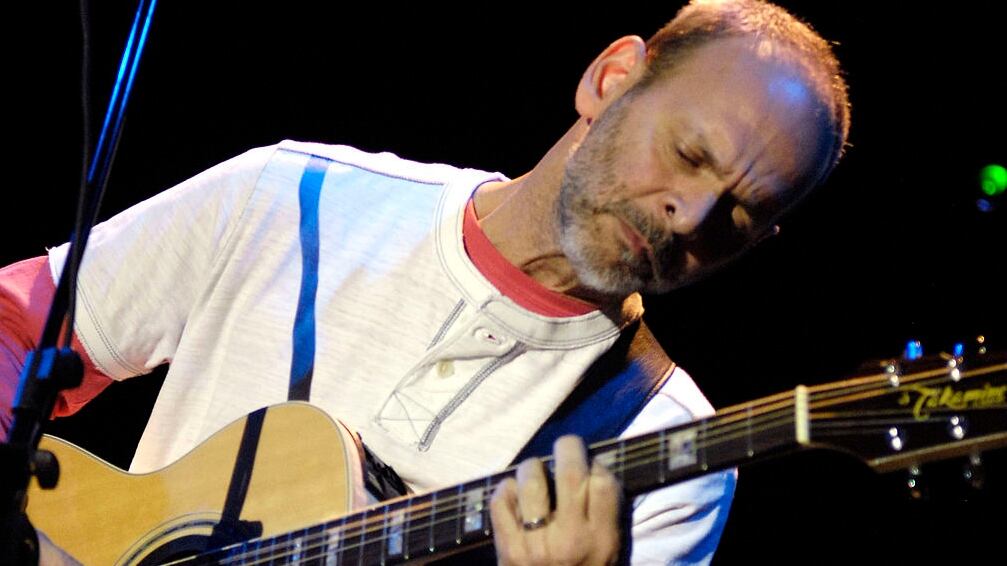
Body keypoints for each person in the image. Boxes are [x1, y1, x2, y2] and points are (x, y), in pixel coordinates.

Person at [2, 0, 850, 564]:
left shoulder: (663, 446)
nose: (688, 213)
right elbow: (15, 331)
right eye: (688, 154)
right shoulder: (295, 195)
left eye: (739, 214)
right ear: (609, 79)